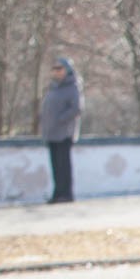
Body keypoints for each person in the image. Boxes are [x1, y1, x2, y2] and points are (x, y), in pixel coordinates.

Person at [40, 57, 83, 203]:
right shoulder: (53, 87)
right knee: (55, 166)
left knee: (63, 165)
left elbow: (76, 108)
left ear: (67, 70)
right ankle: (57, 194)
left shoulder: (73, 87)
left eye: (60, 69)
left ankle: (66, 194)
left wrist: (60, 119)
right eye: (54, 69)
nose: (56, 72)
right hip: (51, 132)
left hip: (64, 133)